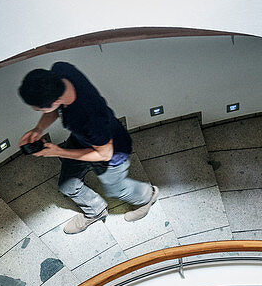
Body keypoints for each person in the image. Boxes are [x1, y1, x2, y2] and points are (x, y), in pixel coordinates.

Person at [18, 62, 158, 235]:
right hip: (82, 140)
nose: (39, 111)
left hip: (112, 154)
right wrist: (38, 129)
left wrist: (58, 152)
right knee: (68, 185)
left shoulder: (90, 118)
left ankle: (148, 196)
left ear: (56, 101)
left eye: (39, 108)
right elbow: (53, 110)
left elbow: (104, 154)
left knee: (117, 189)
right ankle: (96, 210)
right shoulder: (60, 70)